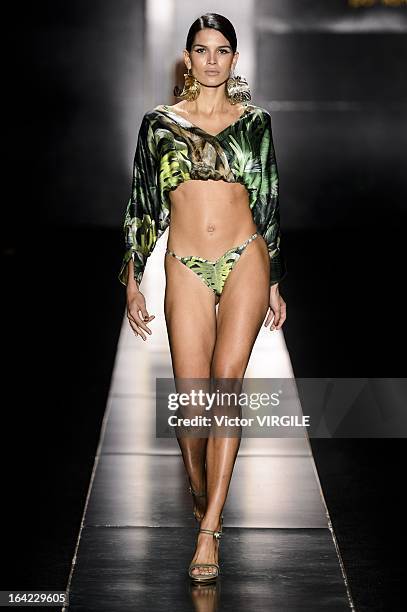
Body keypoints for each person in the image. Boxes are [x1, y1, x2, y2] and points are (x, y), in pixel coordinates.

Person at [118, 13, 287, 583]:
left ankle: (209, 529)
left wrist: (275, 280)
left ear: (234, 60)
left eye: (221, 51)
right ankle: (199, 482)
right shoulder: (158, 125)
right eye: (201, 50)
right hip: (184, 263)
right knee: (193, 403)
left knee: (226, 385)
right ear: (187, 58)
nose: (211, 59)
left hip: (245, 254)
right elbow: (143, 203)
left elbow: (267, 199)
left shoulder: (257, 123)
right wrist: (133, 277)